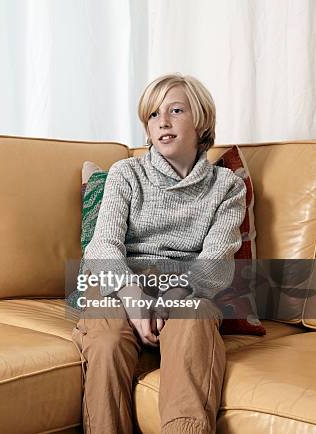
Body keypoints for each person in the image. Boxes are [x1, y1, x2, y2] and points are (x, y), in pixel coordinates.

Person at [73, 73, 246, 434]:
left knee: (194, 317)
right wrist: (134, 297)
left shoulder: (226, 187)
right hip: (120, 284)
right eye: (153, 115)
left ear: (201, 122)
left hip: (183, 291)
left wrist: (172, 296)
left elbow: (217, 261)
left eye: (176, 110)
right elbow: (102, 246)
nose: (162, 122)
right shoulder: (126, 173)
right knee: (106, 342)